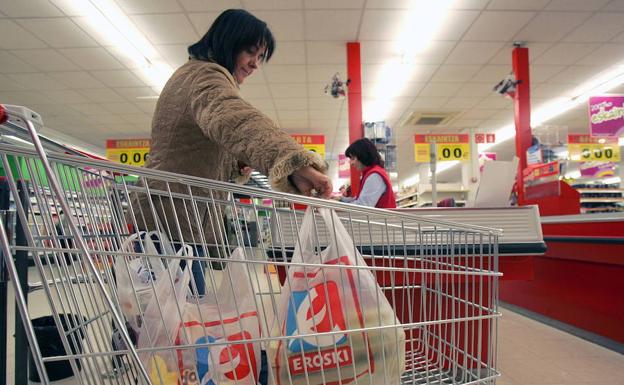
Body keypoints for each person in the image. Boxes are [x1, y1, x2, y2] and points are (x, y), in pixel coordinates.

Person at [129, 9, 331, 295]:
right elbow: (235, 119)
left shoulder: (192, 76)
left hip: (171, 217)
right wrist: (295, 163)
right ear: (227, 42)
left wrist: (236, 164)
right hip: (170, 219)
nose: (254, 64)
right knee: (177, 321)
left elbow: (197, 146)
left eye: (260, 57)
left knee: (164, 318)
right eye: (251, 52)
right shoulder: (205, 77)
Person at [338, 138, 396, 208]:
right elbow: (359, 199)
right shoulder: (370, 173)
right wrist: (341, 199)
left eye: (353, 158)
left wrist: (336, 206)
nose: (351, 163)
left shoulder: (375, 175)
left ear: (363, 156)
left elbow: (363, 205)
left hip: (381, 218)